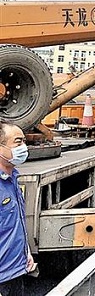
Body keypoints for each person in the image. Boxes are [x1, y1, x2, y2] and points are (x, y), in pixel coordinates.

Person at [0, 121, 36, 296]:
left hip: (15, 272)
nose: (24, 147)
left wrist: (26, 252)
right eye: (18, 142)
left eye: (24, 142)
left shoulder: (12, 178)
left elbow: (15, 223)